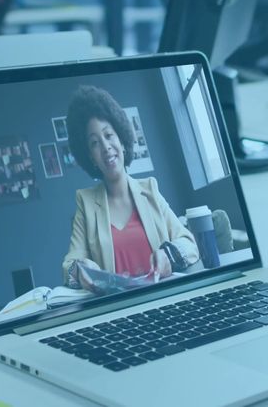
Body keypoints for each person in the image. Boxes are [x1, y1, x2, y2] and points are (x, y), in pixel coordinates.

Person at [61, 85, 199, 290]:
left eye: (109, 135)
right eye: (95, 143)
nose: (105, 147)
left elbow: (188, 243)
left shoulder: (149, 189)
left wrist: (168, 255)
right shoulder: (86, 202)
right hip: (119, 306)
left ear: (122, 140)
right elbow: (69, 264)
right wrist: (81, 269)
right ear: (91, 157)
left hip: (164, 296)